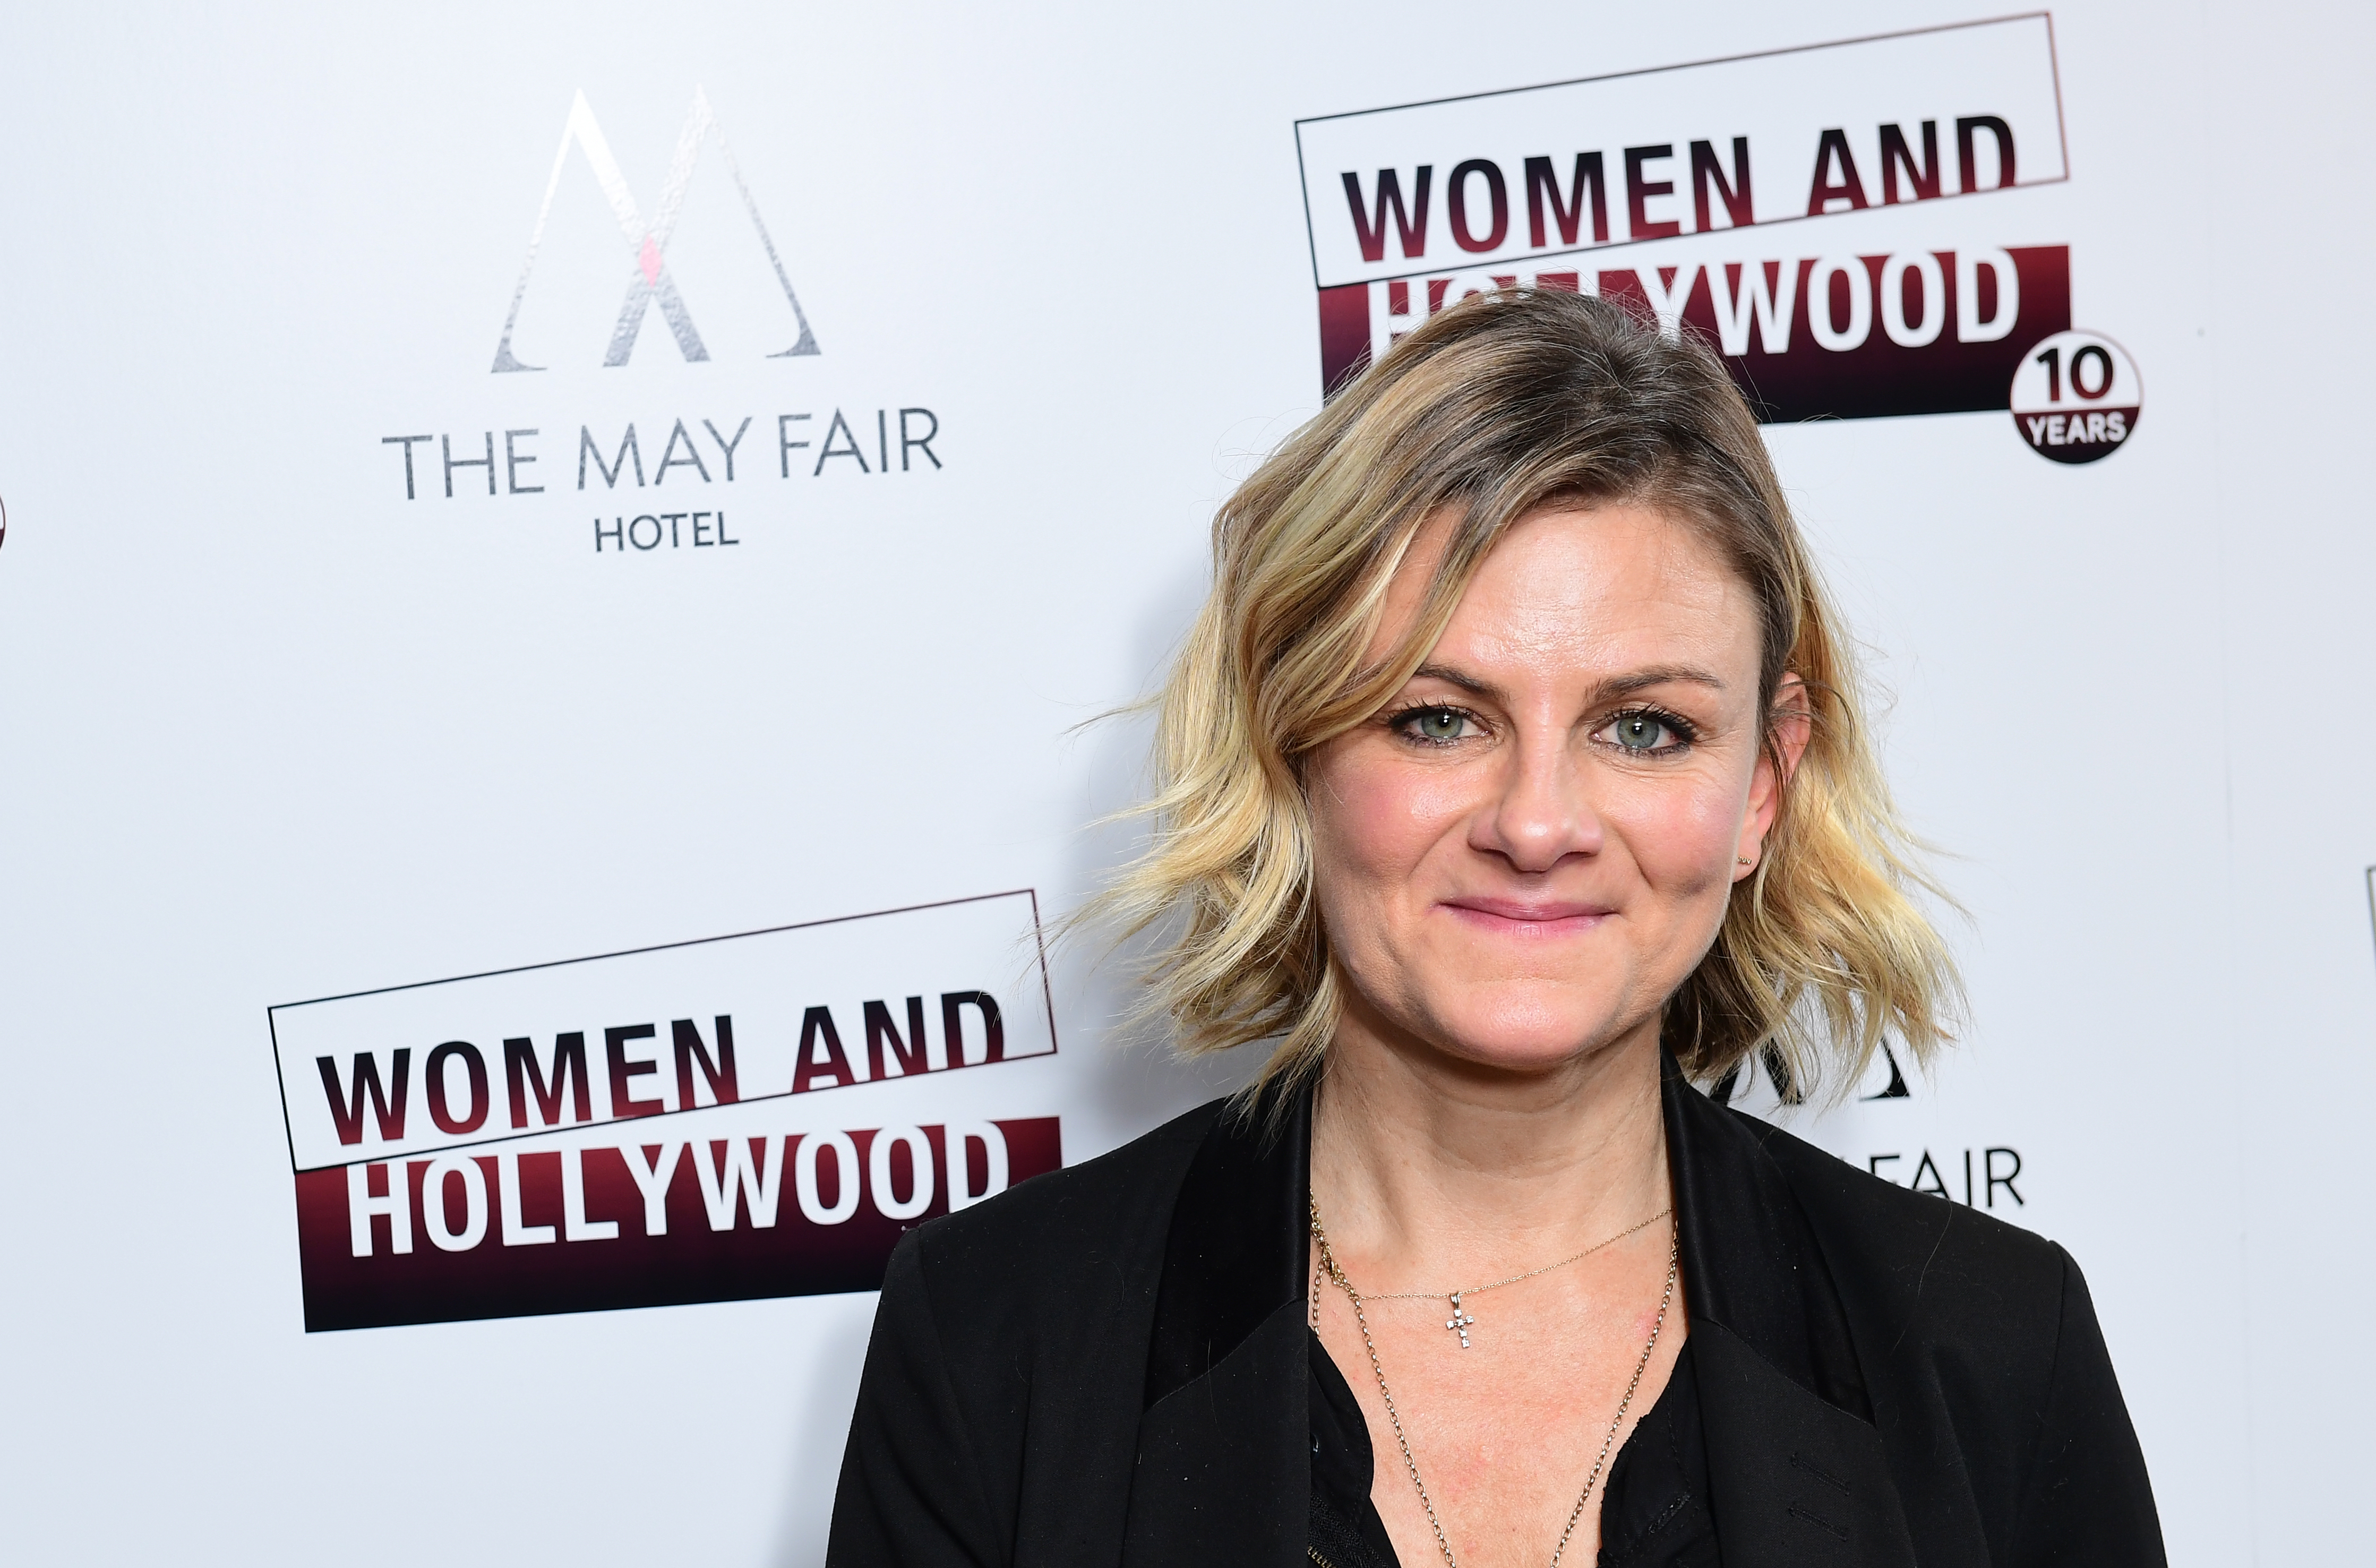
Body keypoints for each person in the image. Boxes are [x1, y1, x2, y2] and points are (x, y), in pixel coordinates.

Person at [826, 289, 2164, 1567]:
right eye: (1437, 717)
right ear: (1294, 748)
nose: (1538, 824)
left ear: (1763, 783)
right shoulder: (998, 1339)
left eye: (1644, 729)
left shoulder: (1988, 1347)